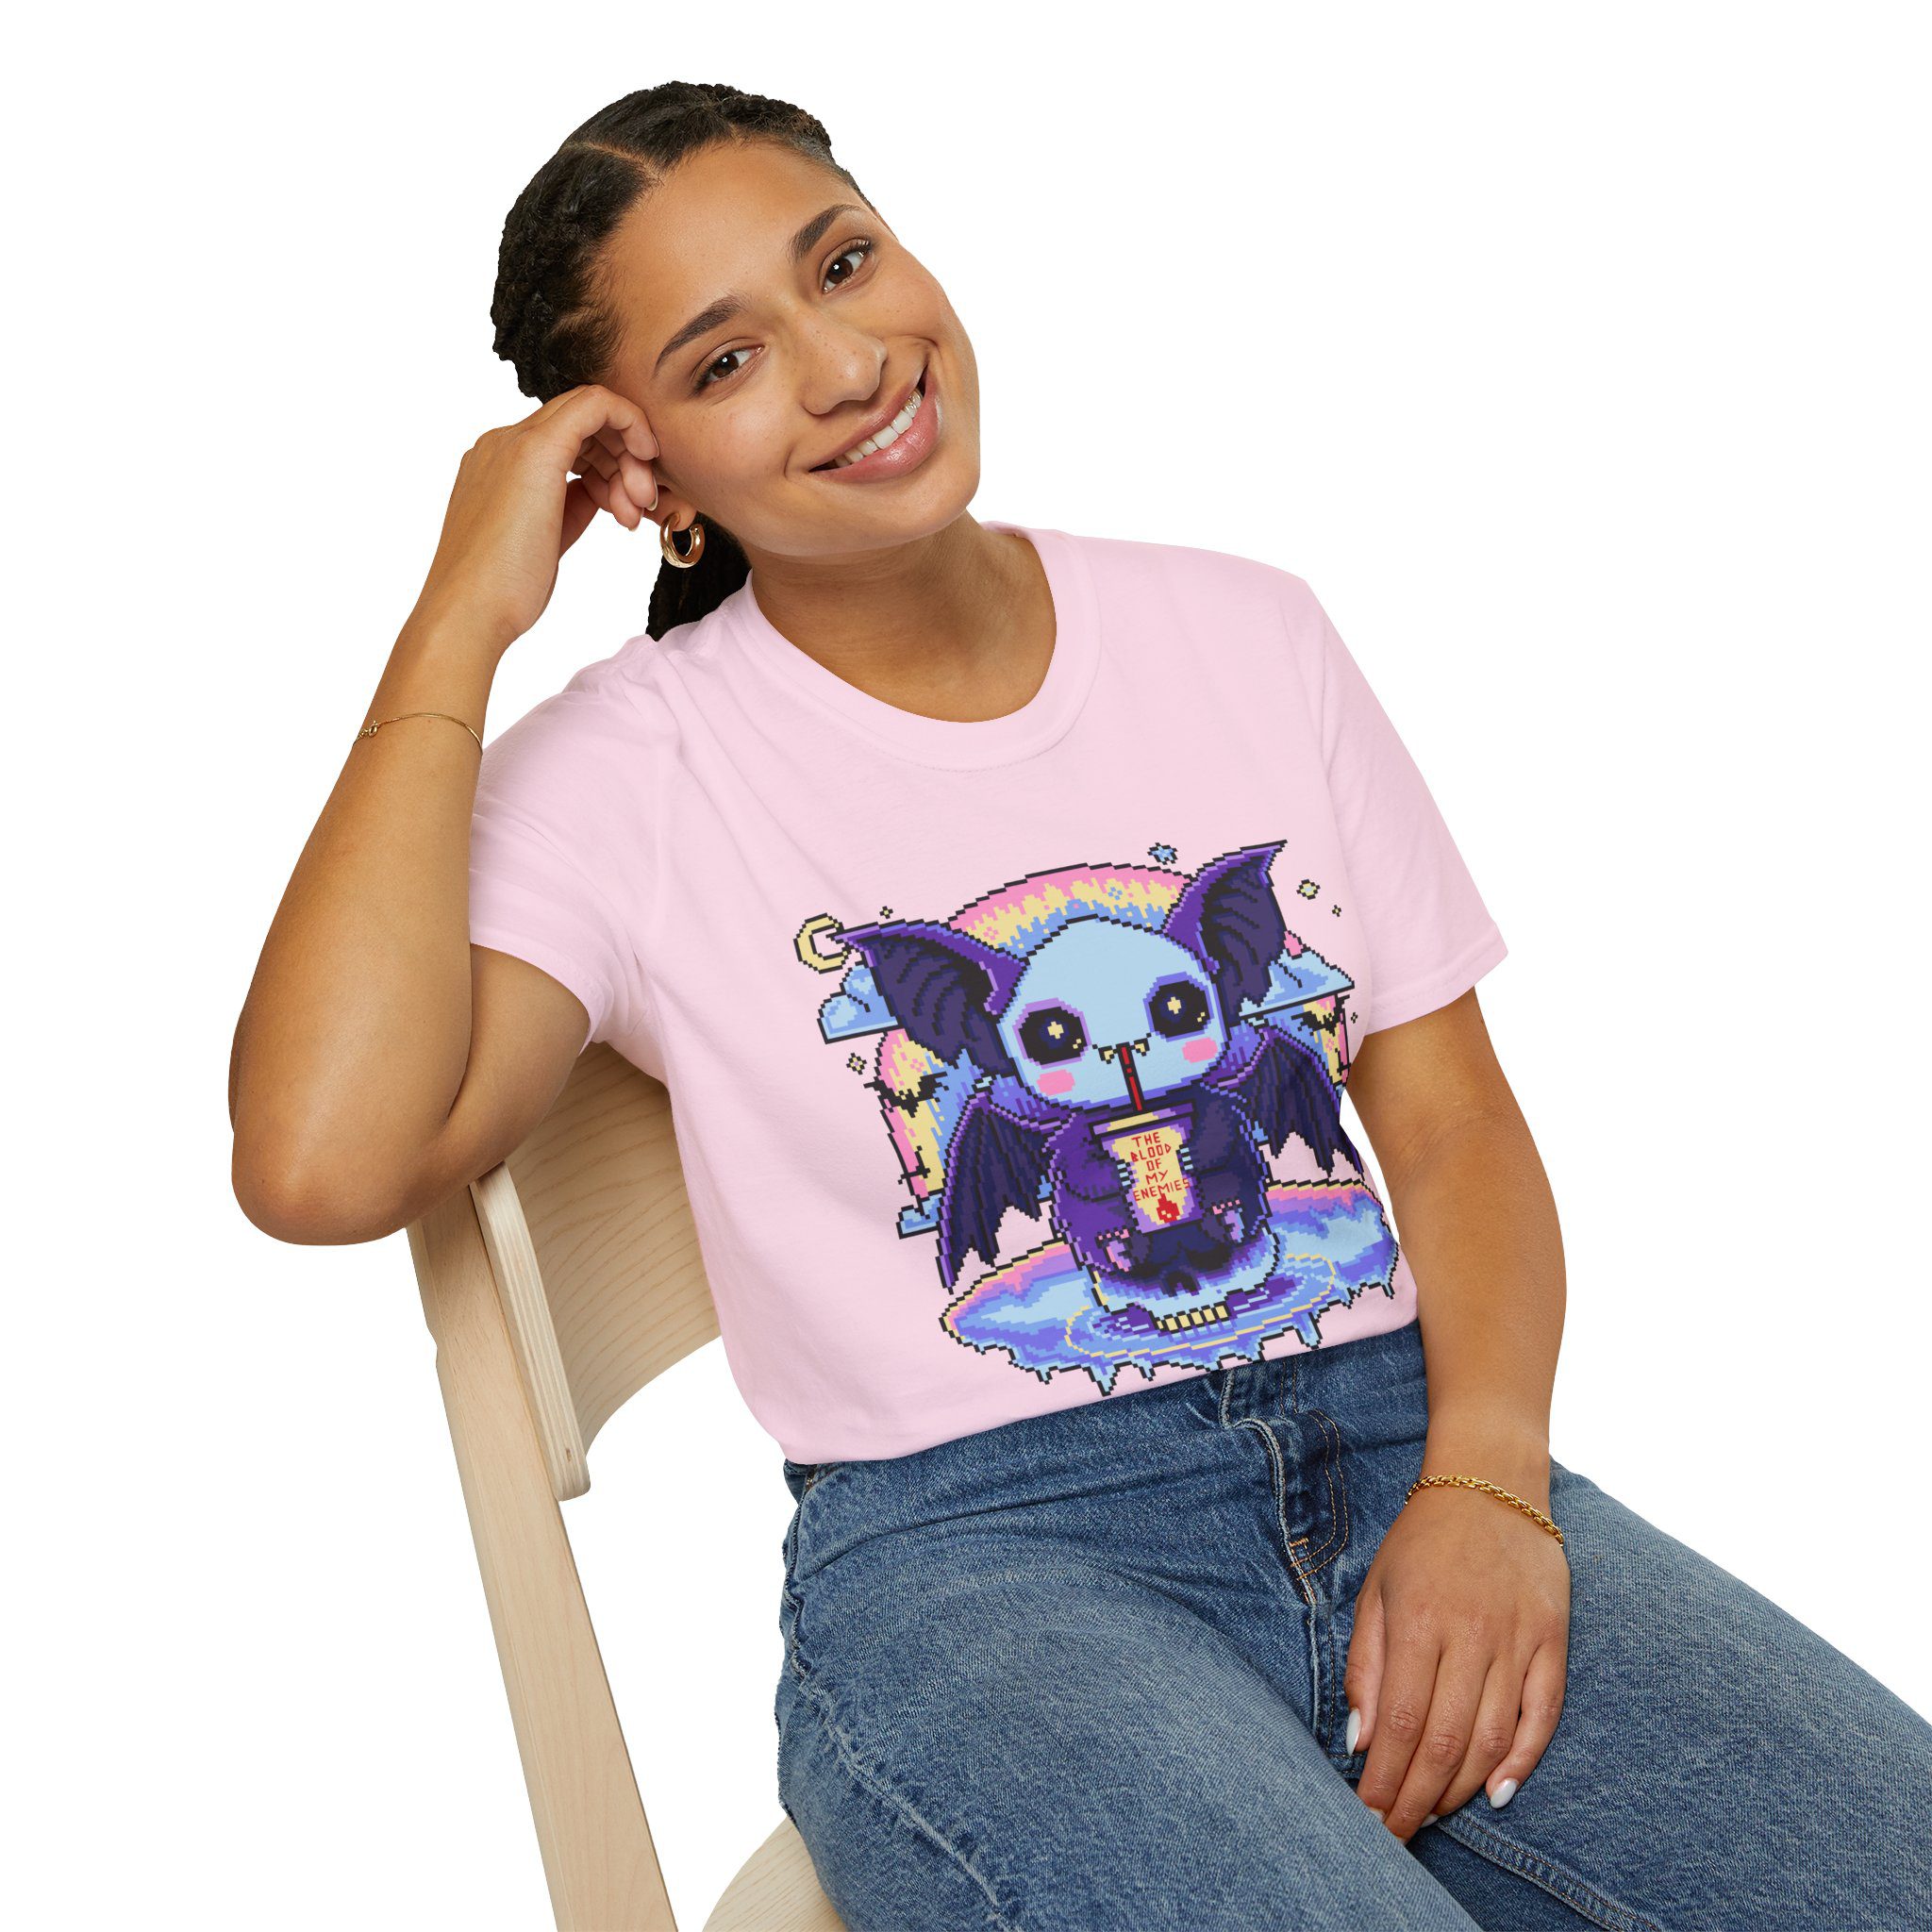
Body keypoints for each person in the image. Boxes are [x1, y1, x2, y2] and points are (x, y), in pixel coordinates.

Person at [228, 81, 1932, 1932]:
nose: (846, 365)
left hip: (1405, 1447)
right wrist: (458, 619)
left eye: (843, 264)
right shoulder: (631, 772)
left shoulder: (1246, 632)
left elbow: (1448, 1121)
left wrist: (1490, 1485)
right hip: (987, 1565)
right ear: (648, 479)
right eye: (726, 361)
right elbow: (320, 1161)